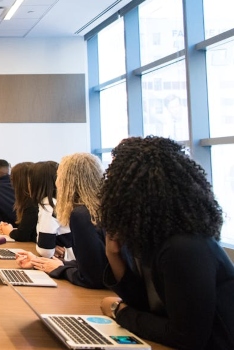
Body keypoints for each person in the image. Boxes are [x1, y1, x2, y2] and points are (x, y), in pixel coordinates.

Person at [97, 136, 233, 349]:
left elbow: (187, 338)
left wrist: (120, 312)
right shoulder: (155, 240)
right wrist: (113, 254)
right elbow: (147, 306)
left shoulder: (185, 248)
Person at [15, 153, 106, 289]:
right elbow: (98, 265)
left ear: (67, 181)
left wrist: (61, 269)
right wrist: (44, 262)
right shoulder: (99, 208)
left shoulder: (81, 215)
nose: (56, 182)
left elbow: (92, 278)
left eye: (59, 177)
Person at [0, 162, 36, 242]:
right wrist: (9, 228)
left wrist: (9, 231)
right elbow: (29, 231)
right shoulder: (31, 201)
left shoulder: (32, 204)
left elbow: (22, 235)